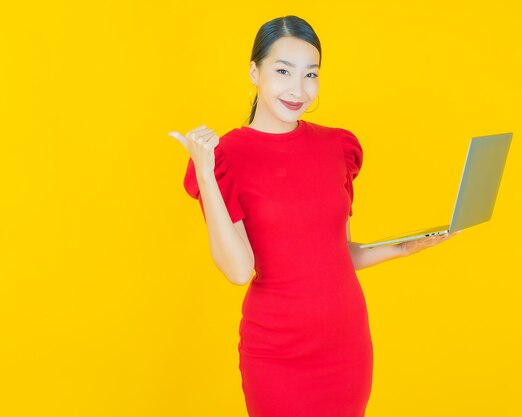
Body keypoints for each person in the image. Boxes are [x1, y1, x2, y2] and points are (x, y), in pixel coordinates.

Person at [169, 15, 460, 417]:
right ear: (254, 71)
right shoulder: (225, 158)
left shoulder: (335, 147)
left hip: (346, 346)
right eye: (283, 71)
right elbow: (238, 270)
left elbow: (336, 254)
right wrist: (205, 171)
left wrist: (405, 247)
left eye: (311, 74)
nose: (298, 89)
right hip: (277, 353)